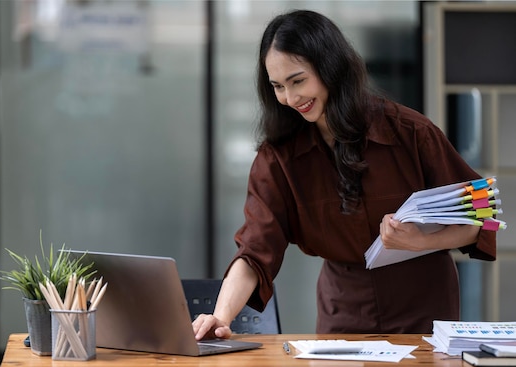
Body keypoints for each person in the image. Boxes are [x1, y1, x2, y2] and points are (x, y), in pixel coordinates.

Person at [192, 9, 496, 339]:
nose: (291, 99)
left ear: (331, 68)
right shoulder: (279, 156)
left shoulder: (411, 132)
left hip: (425, 308)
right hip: (344, 309)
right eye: (278, 86)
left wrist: (423, 241)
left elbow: (485, 216)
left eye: (298, 81)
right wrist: (220, 317)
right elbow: (254, 251)